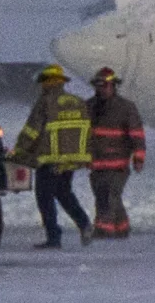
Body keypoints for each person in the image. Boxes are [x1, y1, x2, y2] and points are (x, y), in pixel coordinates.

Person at [11, 64, 94, 249]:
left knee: (45, 197)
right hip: (71, 160)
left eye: (44, 82)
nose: (42, 86)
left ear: (48, 82)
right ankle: (85, 224)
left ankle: (53, 237)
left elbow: (32, 131)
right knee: (64, 193)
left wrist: (19, 151)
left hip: (49, 159)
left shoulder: (45, 102)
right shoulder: (78, 102)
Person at [85, 66, 146, 238]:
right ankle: (122, 228)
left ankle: (103, 230)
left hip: (118, 164)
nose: (101, 89)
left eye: (104, 85)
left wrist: (139, 158)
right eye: (98, 86)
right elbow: (82, 134)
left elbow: (137, 135)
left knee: (108, 196)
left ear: (113, 86)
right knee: (104, 197)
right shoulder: (88, 107)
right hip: (96, 164)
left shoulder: (126, 108)